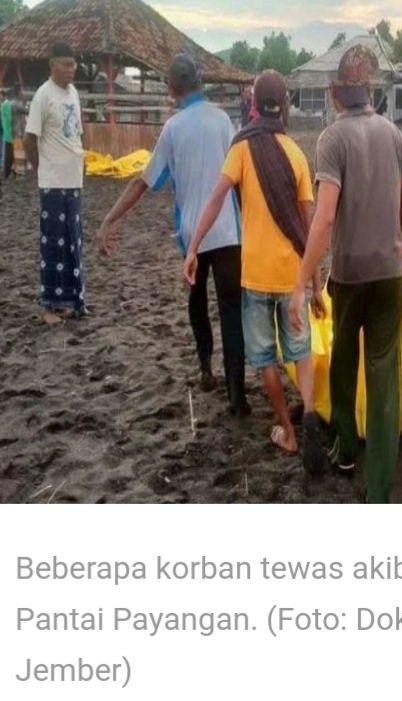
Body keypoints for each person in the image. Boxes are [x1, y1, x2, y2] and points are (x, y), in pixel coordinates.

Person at [289, 45, 402, 504]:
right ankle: (378, 490)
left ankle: (344, 449)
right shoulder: (396, 136)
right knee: (384, 381)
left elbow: (324, 218)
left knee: (343, 362)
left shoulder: (331, 139)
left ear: (333, 92)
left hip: (347, 274)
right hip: (389, 275)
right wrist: (384, 233)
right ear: (371, 90)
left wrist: (301, 284)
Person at [184, 70, 326, 472]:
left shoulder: (242, 148)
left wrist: (193, 248)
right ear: (285, 105)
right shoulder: (296, 154)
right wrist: (315, 286)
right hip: (292, 278)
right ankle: (309, 412)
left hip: (255, 276)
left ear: (253, 106)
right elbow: (307, 230)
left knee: (265, 359)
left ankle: (289, 432)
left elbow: (216, 198)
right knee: (301, 353)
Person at [96, 54, 249, 416]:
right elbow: (239, 176)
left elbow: (143, 181)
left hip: (193, 235)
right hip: (228, 231)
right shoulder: (222, 119)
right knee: (231, 311)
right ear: (200, 82)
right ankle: (236, 394)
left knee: (197, 301)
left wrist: (110, 219)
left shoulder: (173, 128)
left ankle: (205, 368)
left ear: (172, 88)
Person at [24, 41, 87, 325]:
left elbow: (78, 133)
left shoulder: (73, 93)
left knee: (73, 242)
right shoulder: (43, 95)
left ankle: (71, 302)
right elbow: (29, 139)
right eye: (65, 64)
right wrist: (42, 170)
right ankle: (49, 307)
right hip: (52, 182)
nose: (71, 69)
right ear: (52, 65)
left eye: (73, 64)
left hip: (74, 181)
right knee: (52, 243)